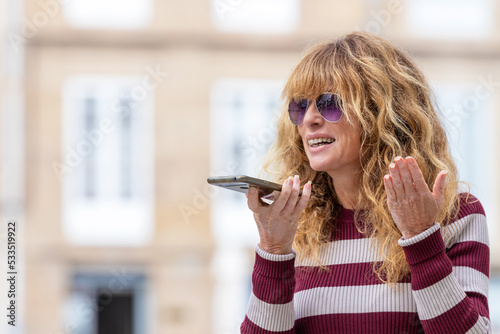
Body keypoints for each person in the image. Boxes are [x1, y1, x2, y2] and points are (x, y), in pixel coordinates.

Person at [240, 32, 490, 333]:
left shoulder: (453, 213)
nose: (309, 119)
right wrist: (274, 249)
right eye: (300, 106)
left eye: (329, 103)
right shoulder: (295, 226)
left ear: (381, 113)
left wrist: (420, 235)